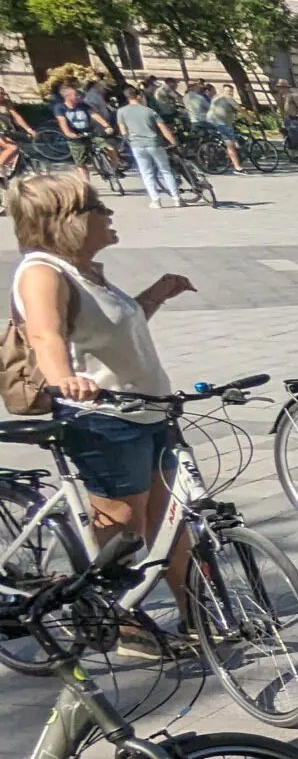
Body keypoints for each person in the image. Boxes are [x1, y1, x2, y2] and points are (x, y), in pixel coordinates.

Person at [8, 173, 195, 604]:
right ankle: (117, 619)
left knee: (168, 520)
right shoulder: (43, 273)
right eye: (98, 208)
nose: (109, 214)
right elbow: (45, 335)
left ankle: (198, 615)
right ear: (66, 219)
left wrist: (155, 296)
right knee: (122, 526)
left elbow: (108, 335)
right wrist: (63, 380)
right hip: (104, 420)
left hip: (149, 411)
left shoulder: (85, 271)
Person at [114, 89, 181, 208]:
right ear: (139, 96)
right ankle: (176, 198)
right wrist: (174, 142)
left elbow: (123, 131)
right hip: (154, 144)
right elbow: (164, 129)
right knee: (165, 170)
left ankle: (156, 200)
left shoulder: (121, 112)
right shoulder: (150, 111)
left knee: (146, 173)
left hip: (137, 145)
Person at [205, 86, 243, 173]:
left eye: (232, 91)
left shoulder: (216, 97)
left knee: (230, 140)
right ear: (224, 91)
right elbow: (239, 109)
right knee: (230, 145)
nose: (231, 93)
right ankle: (238, 168)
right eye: (229, 91)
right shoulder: (228, 98)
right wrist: (251, 119)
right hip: (222, 123)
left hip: (211, 121)